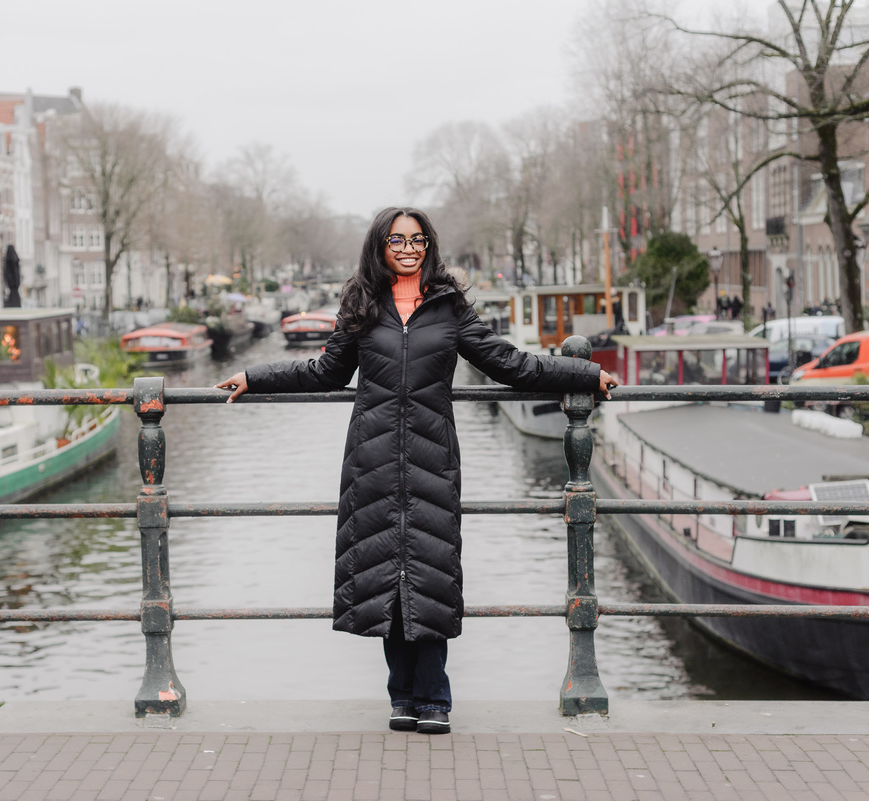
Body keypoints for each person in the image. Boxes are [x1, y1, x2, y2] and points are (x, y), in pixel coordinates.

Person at [216, 207, 617, 735]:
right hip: (373, 459)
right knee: (385, 574)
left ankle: (434, 699)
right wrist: (255, 376)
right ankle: (401, 697)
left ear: (429, 246)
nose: (408, 248)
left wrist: (585, 372)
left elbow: (512, 365)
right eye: (397, 239)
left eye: (418, 239)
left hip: (432, 458)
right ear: (379, 246)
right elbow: (326, 371)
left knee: (430, 574)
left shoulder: (449, 308)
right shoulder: (361, 305)